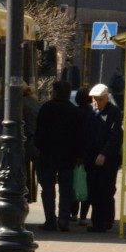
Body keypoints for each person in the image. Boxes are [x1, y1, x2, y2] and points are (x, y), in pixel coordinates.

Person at [34, 81, 83, 231]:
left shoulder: (46, 108)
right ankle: (63, 220)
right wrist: (78, 155)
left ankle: (50, 220)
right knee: (66, 190)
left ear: (55, 92)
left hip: (47, 156)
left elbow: (39, 133)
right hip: (67, 157)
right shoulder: (73, 111)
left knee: (48, 189)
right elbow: (78, 136)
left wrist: (39, 146)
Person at [83, 83, 122, 233]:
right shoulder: (90, 112)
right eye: (94, 99)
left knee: (106, 190)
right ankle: (97, 221)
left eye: (99, 99)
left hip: (107, 160)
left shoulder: (113, 112)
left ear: (106, 98)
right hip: (91, 158)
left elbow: (115, 136)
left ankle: (107, 219)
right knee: (93, 190)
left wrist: (104, 153)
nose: (96, 102)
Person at [71, 86, 93, 225]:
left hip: (74, 154)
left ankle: (73, 214)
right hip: (89, 154)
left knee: (73, 184)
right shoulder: (93, 113)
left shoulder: (73, 113)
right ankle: (84, 217)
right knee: (87, 185)